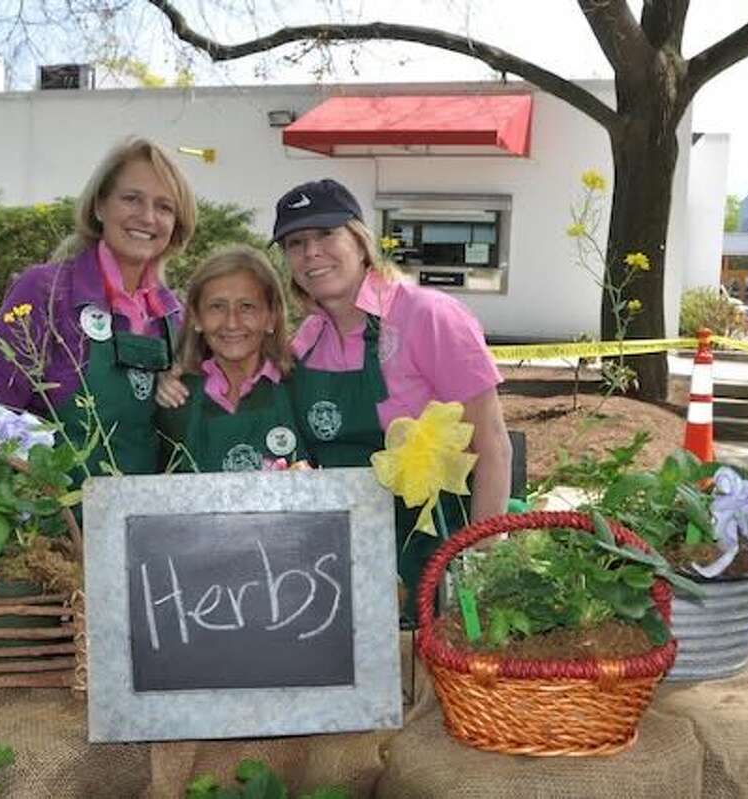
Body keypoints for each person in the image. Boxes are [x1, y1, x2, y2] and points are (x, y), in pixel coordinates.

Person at [161, 178, 511, 623]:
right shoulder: (307, 340)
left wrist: (479, 562)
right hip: (350, 563)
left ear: (360, 241)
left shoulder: (429, 316)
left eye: (326, 234)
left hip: (435, 545)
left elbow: (494, 446)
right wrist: (175, 377)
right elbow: (242, 368)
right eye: (296, 242)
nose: (311, 253)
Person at [0, 137, 196, 479]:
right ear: (99, 206)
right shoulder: (45, 292)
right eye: (131, 198)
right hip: (52, 522)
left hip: (140, 524)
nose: (148, 217)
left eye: (165, 207)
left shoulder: (175, 317)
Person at [156, 246, 308, 473]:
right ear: (196, 317)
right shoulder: (175, 399)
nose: (232, 323)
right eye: (217, 307)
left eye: (247, 307)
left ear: (271, 318)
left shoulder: (301, 387)